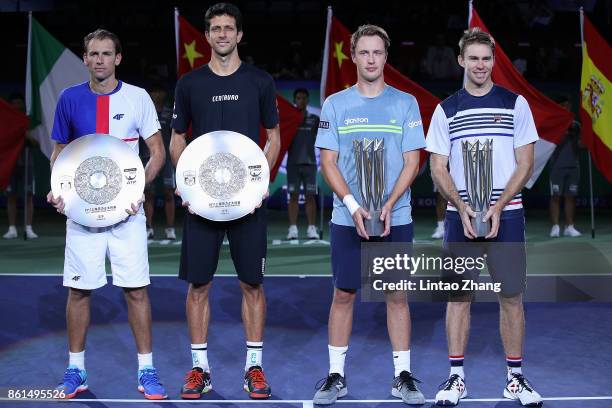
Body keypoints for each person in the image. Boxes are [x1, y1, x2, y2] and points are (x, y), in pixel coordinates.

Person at [47, 29, 167, 400]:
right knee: (79, 290)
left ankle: (146, 370)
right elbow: (59, 154)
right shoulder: (69, 99)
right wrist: (57, 190)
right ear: (84, 59)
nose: (99, 60)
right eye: (93, 54)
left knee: (135, 290)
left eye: (106, 53)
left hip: (128, 215)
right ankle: (76, 370)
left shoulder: (138, 98)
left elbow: (157, 151)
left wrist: (138, 190)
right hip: (82, 214)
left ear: (118, 58)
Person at [169, 3, 280, 400]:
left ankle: (254, 368)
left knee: (252, 283)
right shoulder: (190, 84)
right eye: (215, 29)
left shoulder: (260, 82)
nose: (222, 35)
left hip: (248, 205)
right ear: (207, 35)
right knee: (199, 285)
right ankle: (201, 369)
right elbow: (178, 138)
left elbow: (273, 138)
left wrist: (258, 185)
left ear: (239, 35)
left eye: (228, 28)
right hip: (202, 205)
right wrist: (186, 185)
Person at [427, 28, 542, 406]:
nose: (480, 65)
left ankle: (515, 379)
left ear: (494, 62)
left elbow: (525, 163)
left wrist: (496, 206)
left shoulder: (515, 104)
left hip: (506, 215)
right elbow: (438, 169)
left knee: (511, 296)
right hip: (461, 217)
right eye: (473, 58)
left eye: (486, 58)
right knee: (458, 298)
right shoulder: (447, 109)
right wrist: (463, 207)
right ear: (461, 61)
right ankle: (456, 378)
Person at [312, 24, 426, 405]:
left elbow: (413, 160)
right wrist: (353, 205)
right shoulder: (335, 104)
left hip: (397, 216)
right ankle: (335, 376)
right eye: (364, 52)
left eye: (378, 52)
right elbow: (328, 162)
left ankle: (402, 376)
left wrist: (390, 204)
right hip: (349, 218)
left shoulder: (406, 103)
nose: (371, 59)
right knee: (343, 294)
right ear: (355, 56)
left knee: (396, 295)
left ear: (385, 57)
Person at [138, 86, 176, 240]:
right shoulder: (144, 111)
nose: (157, 93)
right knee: (148, 193)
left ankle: (170, 229)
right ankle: (149, 228)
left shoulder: (170, 112)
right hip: (148, 157)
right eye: (154, 90)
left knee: (169, 192)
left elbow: (176, 134)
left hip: (166, 159)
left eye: (159, 90)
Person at [3, 92, 38, 240]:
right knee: (11, 196)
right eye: (14, 103)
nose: (17, 105)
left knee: (28, 196)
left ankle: (28, 228)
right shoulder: (5, 123)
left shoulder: (28, 122)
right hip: (10, 164)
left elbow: (37, 143)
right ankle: (12, 228)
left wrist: (27, 136)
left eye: (19, 103)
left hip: (26, 164)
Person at [286, 88, 319, 240]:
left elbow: (325, 137)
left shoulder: (314, 119)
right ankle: (293, 229)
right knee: (293, 196)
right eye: (298, 98)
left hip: (310, 164)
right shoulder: (289, 119)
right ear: (295, 100)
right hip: (293, 164)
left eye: (304, 98)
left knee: (310, 197)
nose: (301, 101)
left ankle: (311, 229)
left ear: (307, 100)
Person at [548, 96, 582, 238]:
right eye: (563, 106)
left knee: (571, 197)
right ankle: (555, 226)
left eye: (568, 106)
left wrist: (590, 136)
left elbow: (582, 145)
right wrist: (565, 129)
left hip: (573, 166)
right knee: (556, 196)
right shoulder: (552, 124)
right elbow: (553, 141)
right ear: (558, 107)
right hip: (557, 166)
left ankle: (569, 226)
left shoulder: (576, 125)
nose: (566, 108)